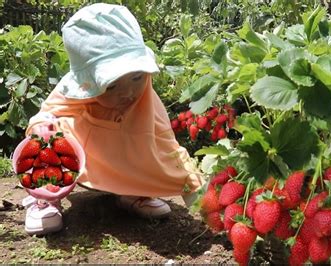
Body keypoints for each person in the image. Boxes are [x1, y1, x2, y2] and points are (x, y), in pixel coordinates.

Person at [23, 3, 205, 235]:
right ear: (86, 83)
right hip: (86, 150)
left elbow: (167, 144)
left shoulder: (145, 98)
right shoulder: (72, 91)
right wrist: (42, 127)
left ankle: (134, 190)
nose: (128, 93)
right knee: (48, 130)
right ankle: (46, 195)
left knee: (148, 141)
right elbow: (44, 115)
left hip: (125, 146)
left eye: (137, 77)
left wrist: (198, 194)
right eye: (111, 85)